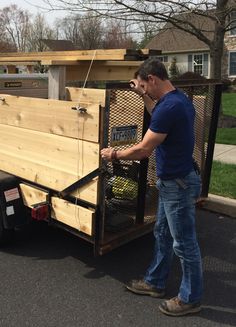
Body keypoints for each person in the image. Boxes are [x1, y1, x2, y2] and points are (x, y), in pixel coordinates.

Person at [100, 57, 203, 317]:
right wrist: (141, 95)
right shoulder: (177, 100)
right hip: (175, 181)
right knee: (163, 234)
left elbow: (143, 150)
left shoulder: (170, 108)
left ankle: (190, 298)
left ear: (153, 79)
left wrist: (113, 154)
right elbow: (157, 114)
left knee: (184, 244)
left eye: (145, 87)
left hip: (177, 185)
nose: (144, 91)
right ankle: (155, 282)